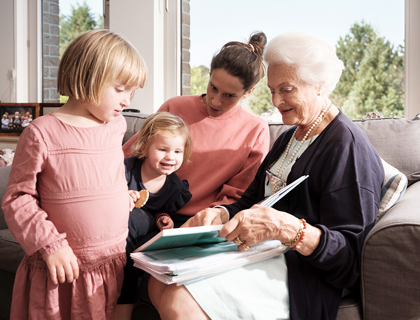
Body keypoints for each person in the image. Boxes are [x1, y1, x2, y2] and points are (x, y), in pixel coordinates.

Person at [149, 31, 385, 320]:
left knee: (178, 299)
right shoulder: (290, 137)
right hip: (260, 252)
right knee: (159, 279)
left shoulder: (347, 147)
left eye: (286, 89)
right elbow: (250, 202)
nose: (275, 101)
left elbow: (349, 259)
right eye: (272, 90)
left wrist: (287, 228)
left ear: (320, 86)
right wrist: (221, 213)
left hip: (300, 271)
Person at [1, 29, 146, 319]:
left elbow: (107, 173)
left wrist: (121, 196)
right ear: (87, 76)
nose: (126, 100)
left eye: (132, 92)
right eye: (120, 89)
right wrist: (50, 246)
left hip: (111, 263)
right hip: (62, 267)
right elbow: (18, 199)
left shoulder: (115, 127)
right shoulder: (41, 133)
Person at [123, 31, 270, 222]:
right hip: (149, 209)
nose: (215, 102)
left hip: (204, 221)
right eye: (213, 87)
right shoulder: (174, 107)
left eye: (229, 95)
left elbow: (239, 195)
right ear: (209, 77)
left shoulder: (255, 130)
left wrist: (207, 221)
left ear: (248, 92)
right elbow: (131, 154)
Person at [114, 112, 193, 319]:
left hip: (147, 232)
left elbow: (164, 212)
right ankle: (125, 277)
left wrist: (163, 219)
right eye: (163, 149)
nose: (170, 157)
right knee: (131, 219)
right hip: (121, 225)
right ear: (144, 148)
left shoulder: (175, 186)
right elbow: (104, 193)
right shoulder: (127, 169)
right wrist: (122, 195)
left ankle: (130, 270)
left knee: (165, 240)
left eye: (177, 151)